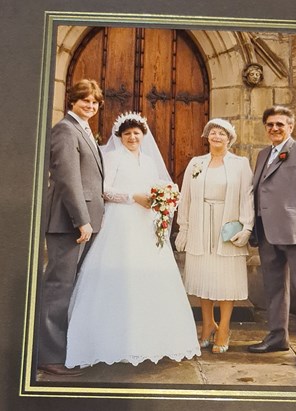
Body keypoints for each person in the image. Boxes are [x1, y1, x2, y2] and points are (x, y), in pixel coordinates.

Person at [65, 112, 201, 368]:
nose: (132, 137)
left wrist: (165, 197)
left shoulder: (148, 161)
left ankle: (153, 341)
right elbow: (104, 190)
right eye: (127, 134)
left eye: (136, 133)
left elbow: (155, 187)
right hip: (121, 222)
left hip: (145, 224)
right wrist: (132, 197)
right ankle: (111, 342)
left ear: (143, 135)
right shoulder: (113, 157)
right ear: (120, 137)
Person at [248, 105, 296, 370]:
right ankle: (277, 337)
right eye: (270, 124)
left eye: (280, 124)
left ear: (290, 126)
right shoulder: (262, 154)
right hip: (267, 232)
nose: (274, 129)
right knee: (274, 289)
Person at [38, 79, 105, 375]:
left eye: (94, 102)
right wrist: (82, 220)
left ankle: (65, 349)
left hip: (82, 222)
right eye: (85, 100)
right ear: (72, 101)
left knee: (71, 288)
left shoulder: (83, 129)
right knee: (58, 288)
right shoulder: (65, 129)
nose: (90, 106)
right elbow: (67, 178)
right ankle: (49, 356)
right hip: (69, 223)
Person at [175, 118, 254, 353]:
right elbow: (185, 197)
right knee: (204, 277)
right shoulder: (196, 163)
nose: (217, 136)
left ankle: (224, 328)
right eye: (213, 133)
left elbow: (247, 197)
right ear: (207, 137)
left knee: (226, 280)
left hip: (227, 227)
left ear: (229, 139)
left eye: (222, 133)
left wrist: (246, 227)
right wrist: (184, 228)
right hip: (200, 225)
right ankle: (208, 324)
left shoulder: (240, 164)